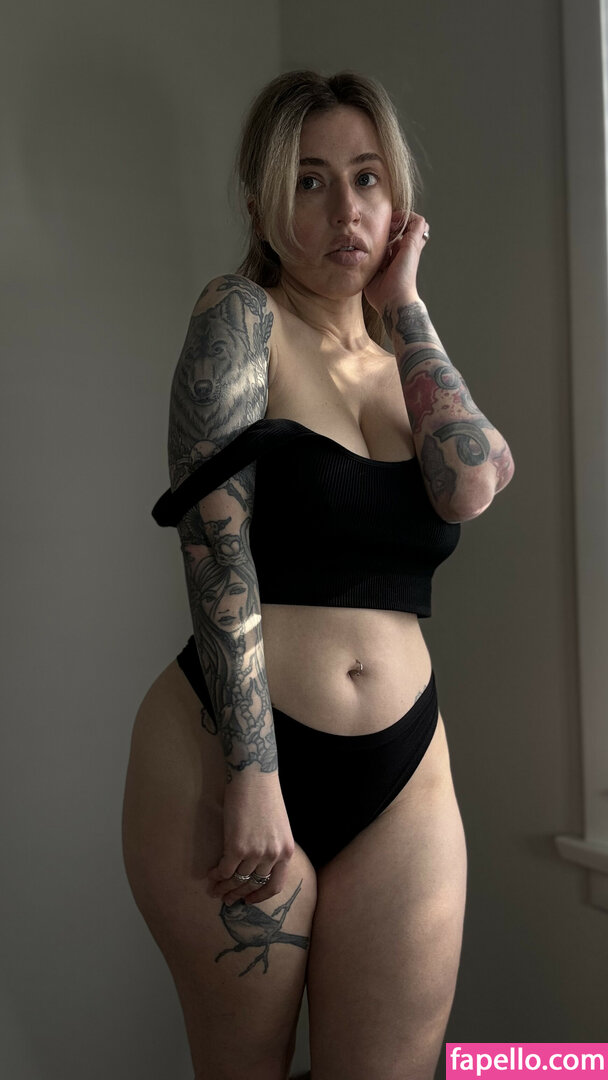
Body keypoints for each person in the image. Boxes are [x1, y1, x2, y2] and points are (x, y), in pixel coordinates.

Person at [121, 68, 515, 1080]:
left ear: (397, 200)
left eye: (367, 178)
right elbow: (215, 551)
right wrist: (252, 775)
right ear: (262, 203)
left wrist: (406, 305)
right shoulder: (241, 317)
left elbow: (471, 483)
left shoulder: (403, 370)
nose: (346, 210)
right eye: (310, 181)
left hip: (404, 773)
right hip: (230, 754)